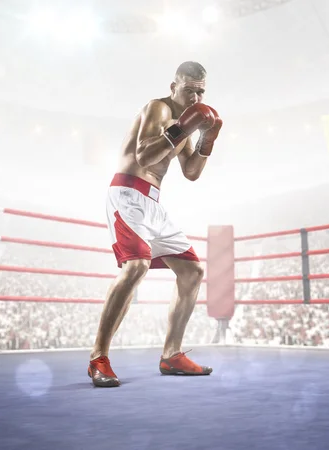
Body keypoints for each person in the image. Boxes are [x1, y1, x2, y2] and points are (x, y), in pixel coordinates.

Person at [88, 61, 223, 387]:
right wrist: (184, 127)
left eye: (201, 91)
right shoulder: (157, 108)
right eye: (189, 89)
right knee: (136, 266)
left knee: (192, 271)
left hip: (153, 203)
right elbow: (145, 156)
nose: (195, 97)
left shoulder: (183, 122)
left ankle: (172, 354)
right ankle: (98, 357)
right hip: (127, 193)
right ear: (174, 86)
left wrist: (207, 141)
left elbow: (191, 173)